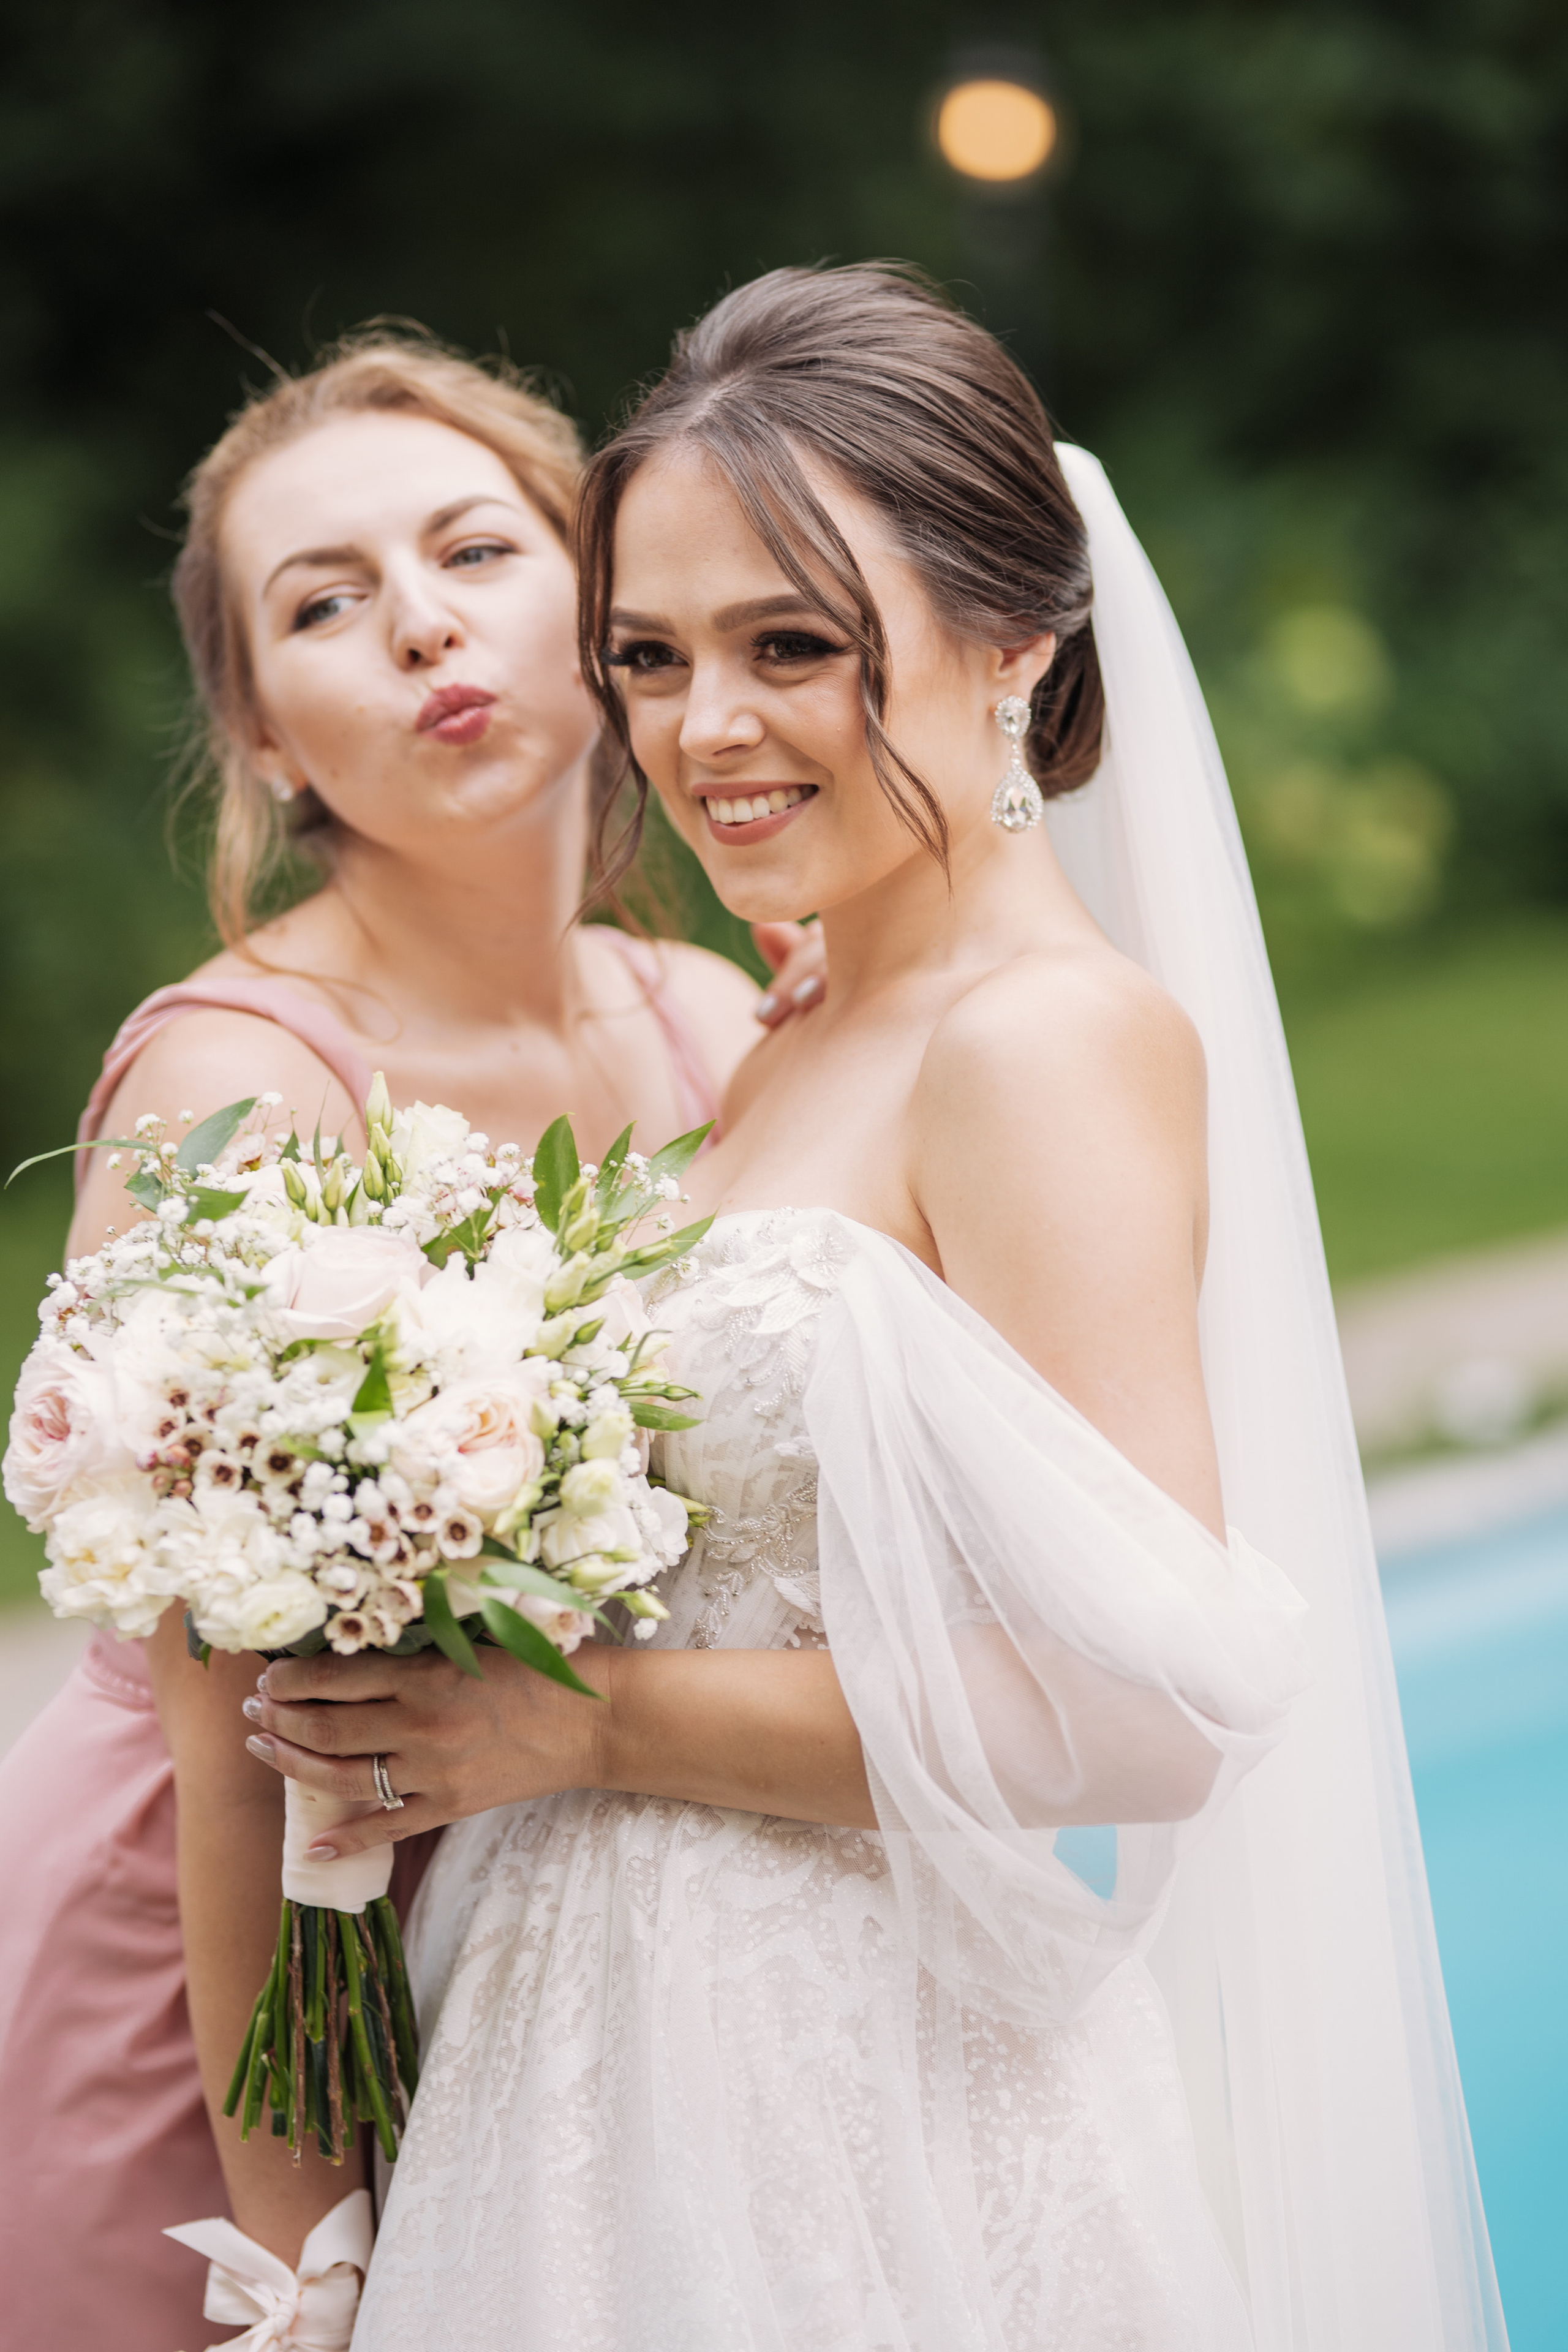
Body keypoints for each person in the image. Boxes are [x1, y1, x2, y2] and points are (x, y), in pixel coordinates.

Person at [225, 268, 1504, 2350]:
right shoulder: (803, 1015)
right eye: (649, 656)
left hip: (852, 2122)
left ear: (1014, 644)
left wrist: (587, 1720)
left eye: (793, 647)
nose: (702, 730)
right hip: (593, 2068)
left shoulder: (1045, 1044)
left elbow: (1147, 1710)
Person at [0, 328, 824, 2352]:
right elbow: (223, 1759)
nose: (422, 629)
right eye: (326, 606)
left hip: (542, 1925)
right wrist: (305, 2271)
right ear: (270, 735)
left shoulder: (704, 1020)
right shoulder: (242, 1085)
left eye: (475, 551)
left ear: (603, 614)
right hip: (230, 1987)